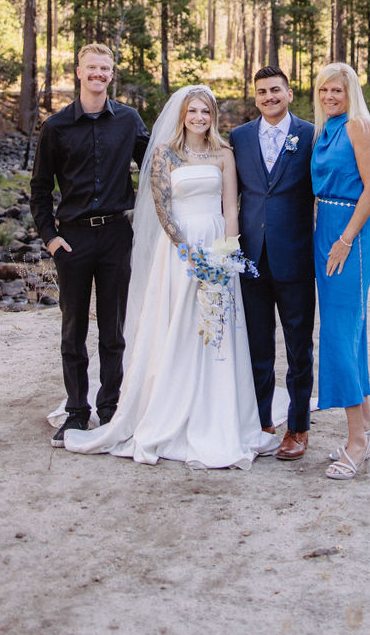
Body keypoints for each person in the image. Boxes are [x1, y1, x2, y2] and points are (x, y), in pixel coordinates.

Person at [64, 85, 270, 468]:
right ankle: (167, 410)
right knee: (177, 324)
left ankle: (218, 414)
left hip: (216, 246)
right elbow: (163, 209)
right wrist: (187, 251)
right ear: (182, 115)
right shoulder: (164, 154)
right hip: (179, 251)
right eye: (192, 111)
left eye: (205, 112)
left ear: (213, 117)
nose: (198, 118)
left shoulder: (224, 155)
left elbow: (230, 206)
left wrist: (225, 256)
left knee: (215, 328)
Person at [30, 43, 149, 443]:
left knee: (114, 330)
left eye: (105, 68)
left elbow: (158, 167)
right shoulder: (56, 127)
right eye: (91, 67)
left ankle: (110, 408)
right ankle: (77, 412)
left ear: (111, 75)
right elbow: (40, 189)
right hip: (74, 240)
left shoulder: (129, 121)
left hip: (117, 235)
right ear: (78, 72)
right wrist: (50, 238)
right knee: (73, 329)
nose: (98, 74)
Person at [230, 66, 316, 461]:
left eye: (276, 90)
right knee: (257, 346)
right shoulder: (239, 138)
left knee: (299, 347)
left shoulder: (311, 135)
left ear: (289, 93)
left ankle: (297, 428)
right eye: (262, 91)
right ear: (255, 97)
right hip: (251, 259)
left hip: (296, 256)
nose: (269, 97)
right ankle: (261, 421)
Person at [311, 61, 370, 481]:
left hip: (350, 235)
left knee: (339, 332)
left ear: (350, 92)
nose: (330, 97)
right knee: (351, 328)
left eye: (337, 91)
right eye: (323, 91)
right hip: (326, 227)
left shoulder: (359, 127)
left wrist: (345, 239)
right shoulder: (325, 131)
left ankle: (356, 440)